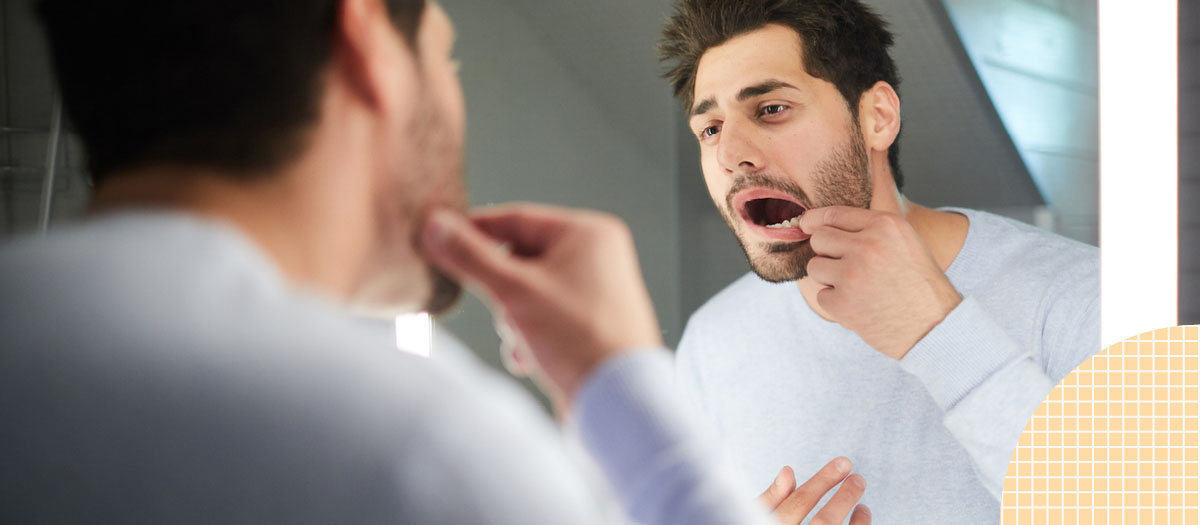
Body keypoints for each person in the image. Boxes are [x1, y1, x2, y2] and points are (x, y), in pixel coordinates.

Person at [0, 0, 876, 523]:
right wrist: (630, 401)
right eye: (444, 56)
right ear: (370, 47)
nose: (731, 154)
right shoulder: (410, 449)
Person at [658, 0, 1099, 522]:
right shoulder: (713, 342)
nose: (731, 153)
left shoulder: (1081, 297)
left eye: (771, 109)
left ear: (877, 117)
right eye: (710, 129)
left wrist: (937, 333)